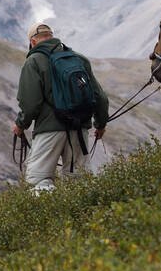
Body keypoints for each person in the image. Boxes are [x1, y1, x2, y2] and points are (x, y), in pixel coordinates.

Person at [12, 23, 109, 193]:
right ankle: (84, 217)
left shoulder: (34, 61)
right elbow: (99, 96)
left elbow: (30, 103)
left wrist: (21, 125)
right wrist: (101, 124)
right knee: (80, 182)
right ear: (52, 36)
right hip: (79, 130)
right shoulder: (78, 59)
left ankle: (46, 218)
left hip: (49, 130)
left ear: (33, 42)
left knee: (37, 181)